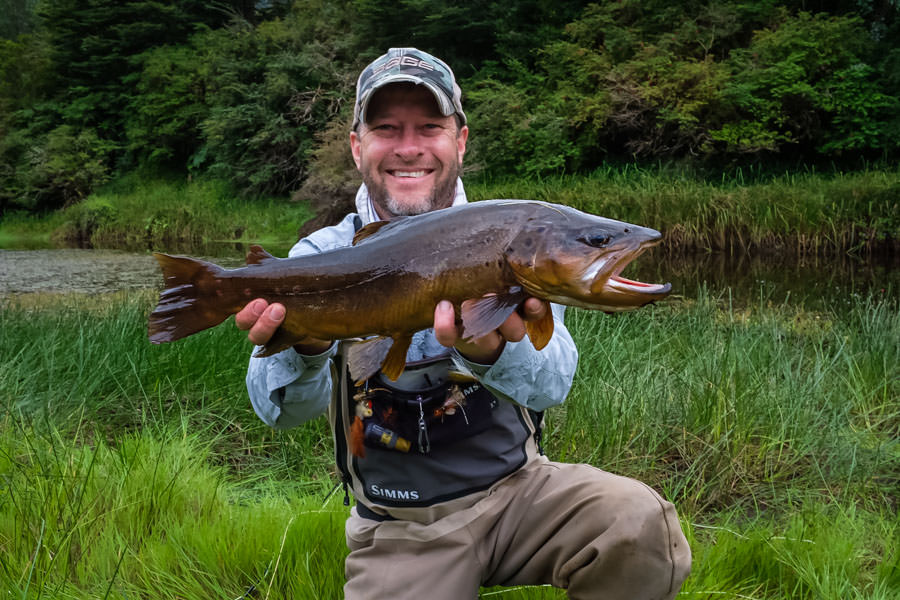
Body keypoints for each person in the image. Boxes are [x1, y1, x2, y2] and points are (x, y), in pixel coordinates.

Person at [237, 48, 691, 599]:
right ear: (358, 147)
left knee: (640, 524)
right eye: (386, 129)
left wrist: (489, 351)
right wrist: (304, 347)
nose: (409, 148)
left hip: (520, 495)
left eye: (430, 127)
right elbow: (280, 412)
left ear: (460, 140)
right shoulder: (322, 254)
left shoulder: (519, 234)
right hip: (401, 528)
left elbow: (553, 386)